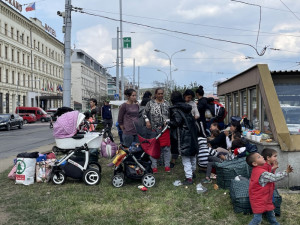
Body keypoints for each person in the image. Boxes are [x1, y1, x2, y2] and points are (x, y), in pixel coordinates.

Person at [246, 152, 293, 225]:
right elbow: (274, 177)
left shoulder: (258, 169)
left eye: (261, 155)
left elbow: (268, 173)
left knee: (271, 213)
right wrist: (286, 172)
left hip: (264, 197)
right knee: (257, 219)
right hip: (259, 199)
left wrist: (273, 168)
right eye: (259, 157)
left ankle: (275, 223)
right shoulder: (262, 172)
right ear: (255, 163)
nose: (262, 156)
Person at [168, 91, 198, 185]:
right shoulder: (187, 108)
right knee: (192, 155)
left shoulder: (175, 109)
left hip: (184, 135)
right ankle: (192, 173)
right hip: (192, 133)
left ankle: (189, 178)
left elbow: (177, 122)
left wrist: (168, 122)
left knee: (185, 157)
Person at [142, 88, 171, 173]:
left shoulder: (167, 103)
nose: (160, 95)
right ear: (155, 94)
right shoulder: (150, 103)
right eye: (159, 94)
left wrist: (168, 121)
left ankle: (167, 166)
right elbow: (144, 113)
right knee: (154, 147)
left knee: (166, 148)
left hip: (165, 129)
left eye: (162, 93)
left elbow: (170, 115)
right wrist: (147, 121)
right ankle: (154, 166)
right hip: (154, 129)